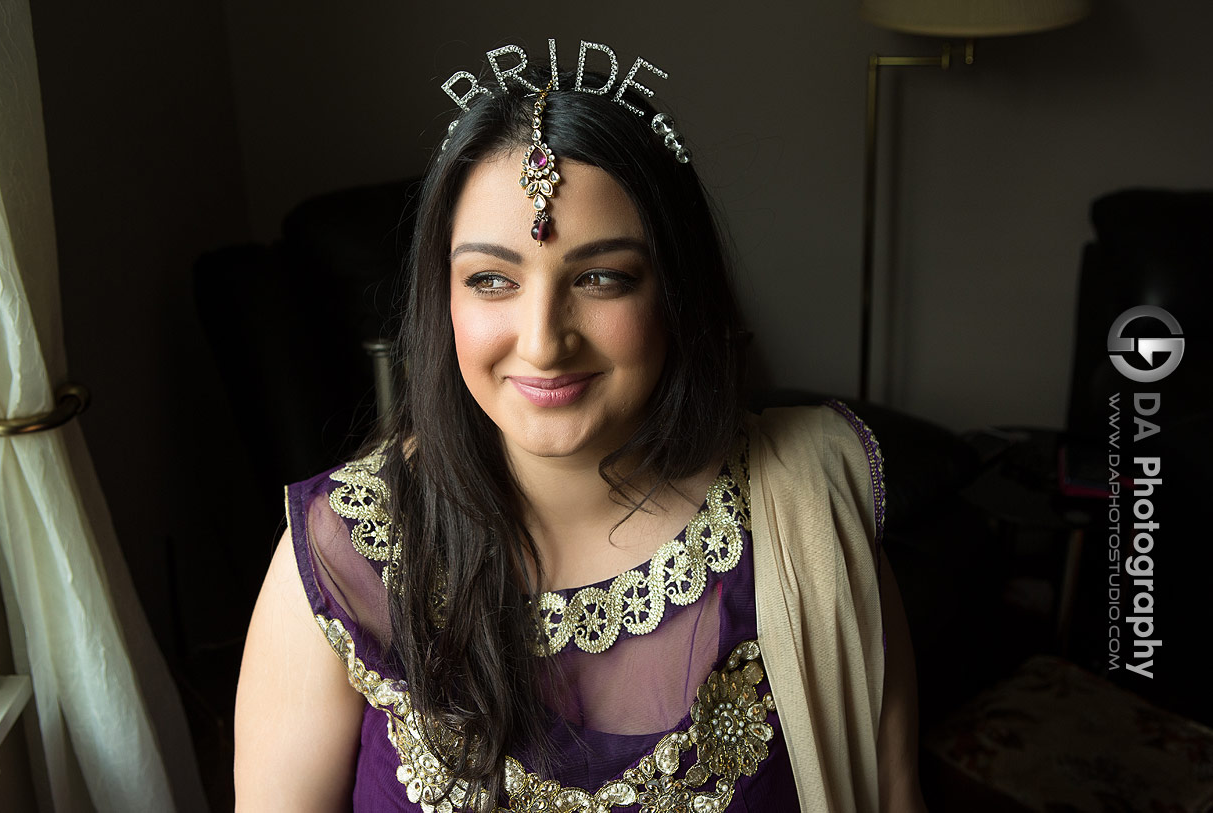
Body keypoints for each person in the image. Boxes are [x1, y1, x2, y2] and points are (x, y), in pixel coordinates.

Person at [235, 52, 926, 812]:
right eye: (491, 280)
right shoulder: (342, 559)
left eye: (602, 278)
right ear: (444, 299)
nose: (542, 341)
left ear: (676, 291)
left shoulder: (807, 514)